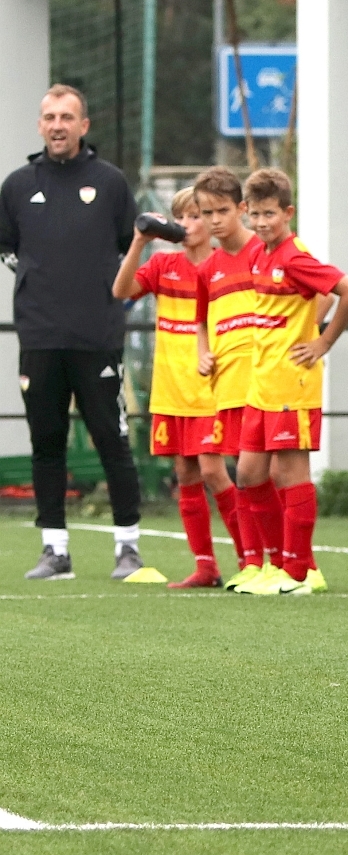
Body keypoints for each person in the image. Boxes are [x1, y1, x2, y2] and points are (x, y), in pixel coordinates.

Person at [0, 84, 145, 580]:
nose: (57, 125)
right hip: (39, 336)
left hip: (97, 334)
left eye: (66, 117)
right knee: (46, 442)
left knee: (111, 439)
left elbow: (130, 247)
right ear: (40, 125)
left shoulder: (110, 182)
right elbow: (7, 247)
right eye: (50, 117)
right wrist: (38, 283)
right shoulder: (18, 185)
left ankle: (128, 547)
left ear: (84, 125)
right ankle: (55, 551)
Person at [233, 168, 348, 596]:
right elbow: (313, 297)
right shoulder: (259, 254)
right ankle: (280, 563)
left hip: (293, 384)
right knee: (249, 473)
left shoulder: (293, 256)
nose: (261, 222)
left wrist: (322, 341)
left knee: (291, 474)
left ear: (288, 213)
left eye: (269, 214)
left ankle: (299, 573)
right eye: (255, 214)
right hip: (261, 383)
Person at [112, 188, 239, 588]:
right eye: (181, 217)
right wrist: (139, 242)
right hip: (171, 390)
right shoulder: (163, 263)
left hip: (210, 388)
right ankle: (206, 566)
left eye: (196, 216)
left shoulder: (223, 265)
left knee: (213, 471)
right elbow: (120, 292)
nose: (186, 224)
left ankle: (251, 559)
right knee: (185, 473)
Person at [193, 166, 270, 591]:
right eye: (206, 213)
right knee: (243, 474)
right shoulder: (209, 268)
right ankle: (253, 561)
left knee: (268, 474)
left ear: (241, 208)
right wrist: (203, 351)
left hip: (266, 383)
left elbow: (314, 298)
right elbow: (201, 320)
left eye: (222, 210)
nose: (214, 220)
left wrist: (304, 343)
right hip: (228, 385)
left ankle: (289, 562)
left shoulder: (265, 250)